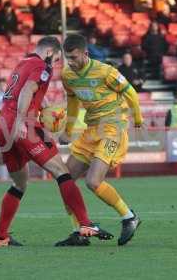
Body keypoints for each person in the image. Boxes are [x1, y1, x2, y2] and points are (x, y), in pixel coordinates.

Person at [0, 36, 113, 248]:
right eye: (56, 59)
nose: (55, 64)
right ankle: (85, 224)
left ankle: (0, 237)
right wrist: (22, 120)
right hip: (22, 125)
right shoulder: (42, 66)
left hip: (3, 126)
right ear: (49, 52)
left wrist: (44, 124)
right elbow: (29, 90)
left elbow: (32, 94)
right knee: (62, 172)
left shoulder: (22, 64)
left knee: (19, 184)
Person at [59, 34, 143, 246]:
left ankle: (129, 217)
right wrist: (68, 130)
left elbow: (131, 93)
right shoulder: (68, 75)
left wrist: (138, 119)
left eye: (74, 57)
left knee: (93, 181)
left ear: (85, 54)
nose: (70, 61)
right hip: (92, 129)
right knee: (65, 180)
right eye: (67, 57)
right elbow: (73, 103)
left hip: (113, 127)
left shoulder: (106, 71)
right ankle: (79, 231)